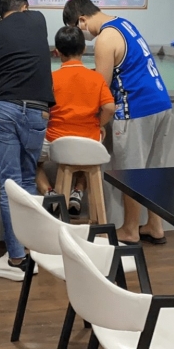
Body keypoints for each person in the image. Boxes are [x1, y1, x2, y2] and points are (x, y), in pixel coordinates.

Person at [63, 0, 173, 245]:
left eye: (77, 28)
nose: (82, 36)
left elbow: (101, 87)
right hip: (160, 104)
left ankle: (131, 229)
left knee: (131, 173)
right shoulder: (124, 24)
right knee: (153, 171)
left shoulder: (104, 39)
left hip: (135, 110)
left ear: (82, 20)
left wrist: (94, 120)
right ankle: (155, 226)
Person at [0, 0, 54, 280]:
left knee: (10, 185)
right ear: (25, 7)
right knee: (29, 181)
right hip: (39, 111)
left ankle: (16, 258)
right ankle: (32, 252)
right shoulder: (38, 19)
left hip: (5, 110)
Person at [35, 26, 116, 216]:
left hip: (56, 141)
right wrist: (99, 125)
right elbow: (110, 108)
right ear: (84, 49)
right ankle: (78, 191)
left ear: (57, 52)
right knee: (89, 162)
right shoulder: (96, 78)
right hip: (89, 141)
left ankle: (50, 194)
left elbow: (42, 111)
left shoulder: (51, 79)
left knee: (29, 161)